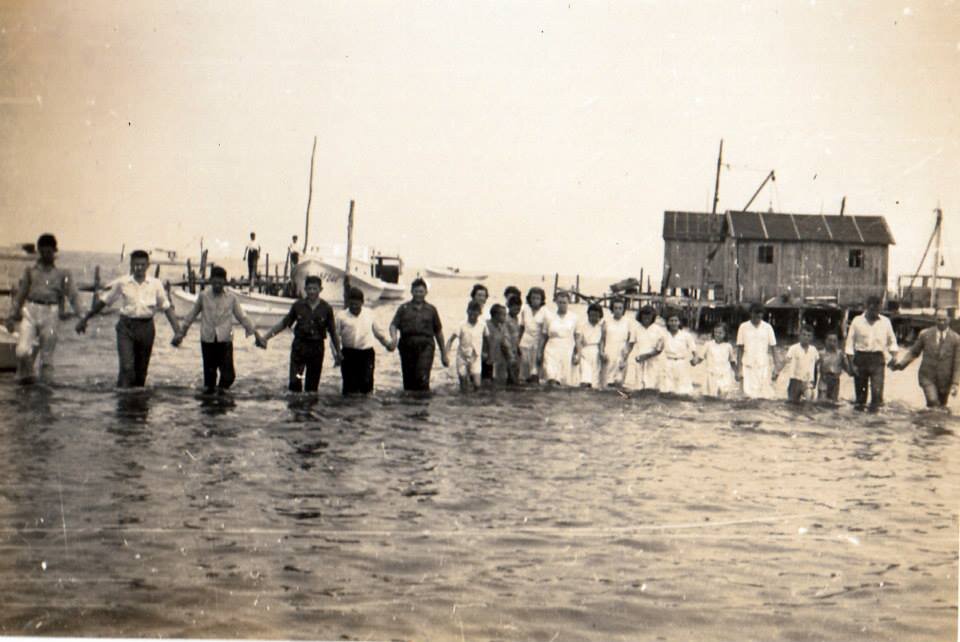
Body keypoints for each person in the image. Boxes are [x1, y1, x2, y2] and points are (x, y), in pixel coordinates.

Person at [77, 249, 182, 388]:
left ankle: (137, 406)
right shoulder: (122, 282)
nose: (139, 268)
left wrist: (178, 331)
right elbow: (104, 301)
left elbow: (166, 307)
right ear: (131, 265)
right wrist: (85, 319)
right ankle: (122, 402)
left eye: (142, 264)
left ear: (148, 265)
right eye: (136, 265)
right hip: (126, 327)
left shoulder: (155, 284)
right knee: (126, 368)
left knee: (141, 373)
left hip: (146, 329)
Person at [4, 233, 85, 383]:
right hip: (31, 310)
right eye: (43, 251)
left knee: (46, 357)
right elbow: (20, 295)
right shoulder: (30, 271)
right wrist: (11, 316)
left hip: (51, 313)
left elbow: (73, 295)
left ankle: (46, 390)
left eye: (49, 252)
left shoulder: (62, 273)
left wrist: (82, 317)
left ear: (55, 251)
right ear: (39, 251)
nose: (46, 255)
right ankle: (27, 378)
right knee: (22, 351)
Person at [172, 266, 266, 393]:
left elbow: (242, 317)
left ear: (225, 282)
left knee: (229, 377)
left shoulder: (231, 298)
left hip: (225, 341)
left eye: (220, 283)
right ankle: (210, 404)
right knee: (209, 379)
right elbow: (191, 315)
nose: (217, 285)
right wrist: (181, 333)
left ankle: (221, 395)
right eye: (215, 282)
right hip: (207, 341)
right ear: (210, 281)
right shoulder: (203, 296)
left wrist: (256, 335)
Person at [262, 275, 342, 393]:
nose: (312, 292)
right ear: (305, 289)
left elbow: (333, 332)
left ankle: (310, 410)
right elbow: (284, 323)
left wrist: (338, 353)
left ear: (321, 289)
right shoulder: (298, 305)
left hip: (317, 349)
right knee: (294, 385)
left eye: (315, 289)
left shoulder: (327, 308)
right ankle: (295, 409)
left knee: (312, 388)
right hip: (299, 347)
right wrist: (266, 338)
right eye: (309, 289)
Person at [390, 278, 448, 392]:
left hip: (426, 346)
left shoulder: (431, 310)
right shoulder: (403, 308)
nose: (418, 294)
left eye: (421, 291)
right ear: (411, 292)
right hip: (406, 345)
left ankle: (423, 406)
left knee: (422, 377)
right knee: (408, 381)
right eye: (416, 291)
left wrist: (443, 354)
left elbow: (438, 332)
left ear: (426, 292)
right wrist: (394, 337)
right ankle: (409, 407)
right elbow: (393, 325)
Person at [894, 310, 960, 408]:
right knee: (933, 401)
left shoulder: (956, 339)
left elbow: (957, 363)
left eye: (944, 320)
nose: (941, 322)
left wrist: (955, 383)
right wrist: (902, 364)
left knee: (941, 406)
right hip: (927, 376)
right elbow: (914, 352)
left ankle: (931, 422)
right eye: (939, 320)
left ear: (949, 320)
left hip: (946, 379)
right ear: (935, 320)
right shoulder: (925, 335)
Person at [335, 287, 394, 395]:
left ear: (362, 302)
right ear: (348, 302)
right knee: (349, 388)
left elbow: (379, 333)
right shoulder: (340, 316)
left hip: (366, 354)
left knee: (367, 387)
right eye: (351, 304)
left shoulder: (370, 314)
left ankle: (366, 410)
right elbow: (335, 338)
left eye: (357, 304)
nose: (354, 306)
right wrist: (337, 354)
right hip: (348, 354)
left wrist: (388, 344)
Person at [844, 295, 898, 411]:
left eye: (878, 310)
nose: (875, 313)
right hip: (860, 359)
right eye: (872, 309)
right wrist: (851, 364)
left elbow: (892, 342)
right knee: (860, 398)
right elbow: (849, 345)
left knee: (877, 395)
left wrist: (893, 356)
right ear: (867, 307)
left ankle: (874, 423)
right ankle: (859, 424)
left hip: (877, 360)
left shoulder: (886, 322)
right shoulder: (857, 321)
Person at [537, 290, 580, 386]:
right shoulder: (549, 317)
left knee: (563, 379)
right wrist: (539, 352)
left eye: (564, 302)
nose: (562, 305)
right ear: (556, 302)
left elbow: (577, 337)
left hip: (567, 349)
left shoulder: (574, 317)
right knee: (550, 375)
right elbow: (544, 336)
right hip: (551, 348)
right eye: (560, 302)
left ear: (568, 302)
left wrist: (578, 354)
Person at [736, 303, 778, 399]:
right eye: (755, 313)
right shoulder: (743, 327)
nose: (757, 316)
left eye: (760, 314)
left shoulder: (768, 327)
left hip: (763, 365)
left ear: (762, 315)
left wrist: (776, 368)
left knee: (763, 396)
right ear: (751, 313)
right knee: (746, 395)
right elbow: (740, 349)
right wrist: (739, 369)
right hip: (747, 365)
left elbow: (773, 348)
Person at [658, 310, 699, 395]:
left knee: (683, 391)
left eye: (676, 321)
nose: (673, 323)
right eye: (671, 321)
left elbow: (694, 351)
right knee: (667, 390)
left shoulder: (686, 336)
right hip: (668, 363)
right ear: (668, 323)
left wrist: (695, 359)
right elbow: (658, 350)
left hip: (682, 364)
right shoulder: (664, 335)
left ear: (679, 322)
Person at [448, 302, 486, 391]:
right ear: (467, 311)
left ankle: (475, 402)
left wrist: (486, 352)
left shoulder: (482, 325)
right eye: (471, 311)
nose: (473, 314)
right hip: (462, 357)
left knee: (477, 384)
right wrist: (446, 353)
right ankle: (464, 401)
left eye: (476, 312)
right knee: (464, 384)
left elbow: (486, 338)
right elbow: (450, 340)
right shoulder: (461, 325)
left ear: (480, 313)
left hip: (476, 356)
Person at [625, 305, 665, 391]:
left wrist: (646, 356)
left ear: (652, 317)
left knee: (651, 386)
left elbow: (660, 349)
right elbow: (630, 345)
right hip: (638, 360)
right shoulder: (636, 329)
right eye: (644, 316)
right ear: (640, 316)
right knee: (638, 386)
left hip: (653, 360)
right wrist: (624, 358)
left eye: (649, 316)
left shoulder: (658, 330)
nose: (646, 318)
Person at [599, 297, 634, 387]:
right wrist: (601, 352)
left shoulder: (628, 322)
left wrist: (626, 355)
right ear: (612, 309)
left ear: (623, 309)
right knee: (607, 380)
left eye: (620, 308)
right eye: (615, 308)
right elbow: (602, 339)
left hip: (622, 352)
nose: (618, 310)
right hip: (609, 350)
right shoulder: (606, 321)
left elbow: (630, 341)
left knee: (619, 380)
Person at [518, 287, 549, 383]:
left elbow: (544, 334)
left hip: (537, 344)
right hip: (524, 343)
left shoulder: (545, 312)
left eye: (538, 298)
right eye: (533, 298)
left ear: (542, 300)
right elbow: (522, 327)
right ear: (529, 299)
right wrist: (517, 342)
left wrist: (540, 350)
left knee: (535, 372)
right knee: (523, 371)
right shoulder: (525, 309)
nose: (535, 301)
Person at [782, 325, 819, 403]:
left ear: (812, 337)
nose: (806, 337)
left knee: (808, 402)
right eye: (804, 335)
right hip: (795, 380)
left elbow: (816, 367)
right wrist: (777, 371)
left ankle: (806, 414)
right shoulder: (793, 348)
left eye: (809, 335)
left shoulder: (814, 350)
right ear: (799, 336)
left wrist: (814, 382)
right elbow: (786, 361)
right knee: (792, 404)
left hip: (808, 381)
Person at [699, 323, 737, 398]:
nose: (717, 334)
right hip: (711, 373)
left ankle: (721, 408)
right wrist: (694, 361)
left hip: (724, 374)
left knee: (723, 395)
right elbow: (700, 358)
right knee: (711, 396)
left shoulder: (728, 346)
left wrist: (737, 372)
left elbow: (732, 361)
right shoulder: (708, 344)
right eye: (715, 332)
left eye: (720, 333)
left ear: (725, 334)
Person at [484, 304, 516, 385]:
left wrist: (511, 357)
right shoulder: (486, 325)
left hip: (495, 360)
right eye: (503, 315)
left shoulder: (501, 327)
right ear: (496, 315)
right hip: (485, 359)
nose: (505, 317)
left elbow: (504, 344)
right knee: (485, 383)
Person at [469, 284, 492, 381]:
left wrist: (488, 351)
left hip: (486, 348)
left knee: (486, 377)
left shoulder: (488, 312)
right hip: (471, 349)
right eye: (479, 295)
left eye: (484, 295)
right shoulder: (469, 311)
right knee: (471, 377)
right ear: (473, 296)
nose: (481, 298)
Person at [577, 303, 603, 388]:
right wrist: (578, 354)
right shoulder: (583, 326)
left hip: (596, 353)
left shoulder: (601, 327)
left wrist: (602, 353)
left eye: (596, 315)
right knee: (585, 377)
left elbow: (602, 342)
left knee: (595, 380)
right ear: (588, 315)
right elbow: (579, 341)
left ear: (600, 316)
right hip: (585, 352)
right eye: (591, 315)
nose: (594, 318)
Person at [818, 331, 849, 402]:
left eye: (834, 341)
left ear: (837, 342)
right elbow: (812, 368)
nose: (832, 343)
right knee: (822, 402)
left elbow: (847, 368)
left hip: (835, 381)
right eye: (830, 340)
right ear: (825, 341)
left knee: (833, 402)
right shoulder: (821, 354)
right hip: (824, 380)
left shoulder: (840, 354)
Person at [504, 295, 523, 385]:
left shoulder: (516, 319)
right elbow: (505, 337)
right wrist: (509, 353)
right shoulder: (506, 319)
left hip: (515, 351)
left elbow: (517, 336)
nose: (517, 308)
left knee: (514, 377)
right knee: (511, 378)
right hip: (508, 352)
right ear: (509, 306)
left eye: (519, 306)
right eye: (514, 306)